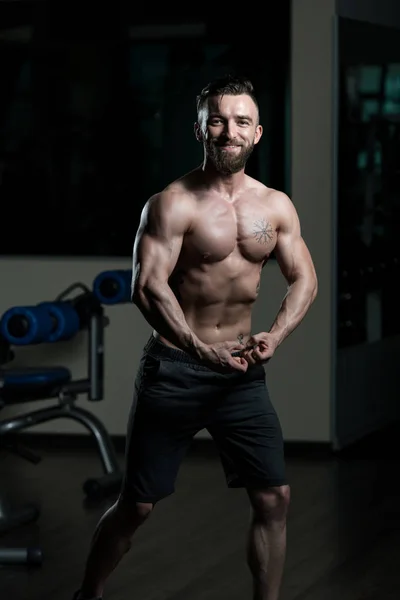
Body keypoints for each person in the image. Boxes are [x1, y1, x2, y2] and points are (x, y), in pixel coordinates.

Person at [73, 74, 317, 600]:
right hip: (176, 371)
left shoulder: (275, 206)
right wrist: (197, 347)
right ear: (200, 128)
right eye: (219, 120)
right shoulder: (170, 203)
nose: (230, 130)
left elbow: (306, 279)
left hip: (241, 375)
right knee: (136, 505)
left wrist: (274, 335)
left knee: (274, 498)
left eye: (242, 122)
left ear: (257, 133)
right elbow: (147, 286)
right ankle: (86, 595)